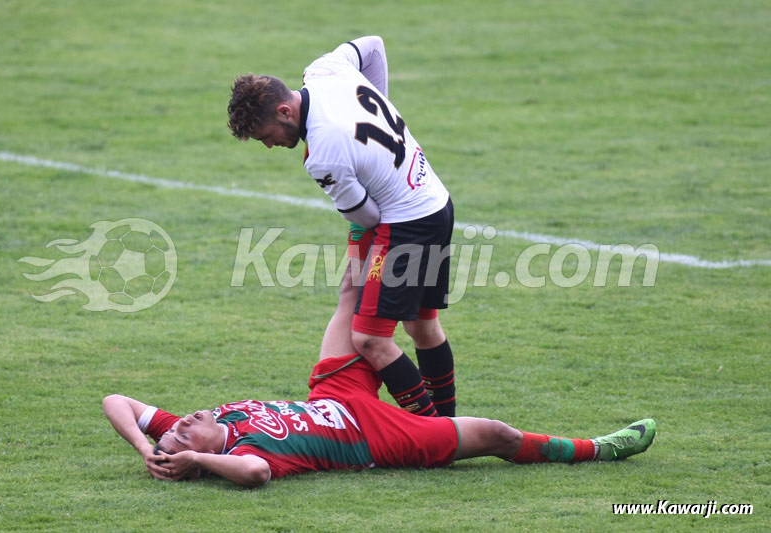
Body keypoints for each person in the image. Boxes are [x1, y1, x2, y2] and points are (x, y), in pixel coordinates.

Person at [227, 36, 457, 417]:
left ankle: (436, 431)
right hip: (436, 199)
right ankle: (450, 422)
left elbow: (366, 216)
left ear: (285, 111)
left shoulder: (323, 152)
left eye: (267, 136)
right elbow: (373, 45)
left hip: (407, 225)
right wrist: (380, 100)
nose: (268, 146)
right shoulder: (324, 70)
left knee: (369, 338)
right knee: (421, 325)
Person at [104, 349, 656, 488]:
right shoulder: (243, 455)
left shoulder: (207, 425)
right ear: (202, 454)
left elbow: (117, 400)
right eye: (182, 431)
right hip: (376, 435)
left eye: (177, 426)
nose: (182, 420)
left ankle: (371, 215)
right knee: (499, 436)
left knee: (353, 296)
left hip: (337, 391)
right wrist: (196, 457)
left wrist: (145, 446)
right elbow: (256, 478)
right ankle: (600, 448)